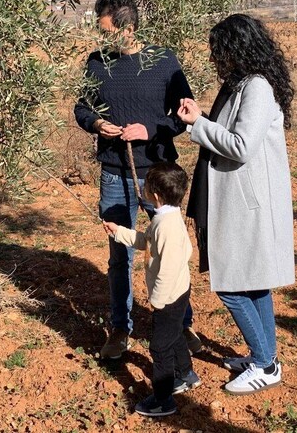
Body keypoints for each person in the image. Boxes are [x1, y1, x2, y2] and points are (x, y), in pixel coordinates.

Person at [74, 0, 202, 360]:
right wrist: (96, 123)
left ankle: (181, 324)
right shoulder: (96, 63)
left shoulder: (164, 61)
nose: (102, 39)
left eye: (107, 31)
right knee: (120, 256)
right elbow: (82, 108)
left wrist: (150, 129)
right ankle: (120, 328)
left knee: (171, 252)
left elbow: (185, 116)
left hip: (159, 174)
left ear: (128, 28)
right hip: (114, 176)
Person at [177, 13, 295, 395]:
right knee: (254, 283)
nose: (215, 58)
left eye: (219, 50)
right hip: (241, 201)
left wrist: (199, 123)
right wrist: (201, 119)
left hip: (247, 205)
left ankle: (264, 364)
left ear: (237, 48)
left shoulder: (257, 87)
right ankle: (265, 357)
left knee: (231, 286)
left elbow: (241, 146)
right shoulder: (241, 83)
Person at [103, 162, 200, 417]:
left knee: (159, 347)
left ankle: (163, 399)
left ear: (154, 194)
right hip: (177, 292)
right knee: (174, 334)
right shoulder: (166, 216)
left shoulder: (166, 226)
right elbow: (146, 241)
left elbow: (167, 268)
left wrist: (157, 300)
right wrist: (119, 232)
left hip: (168, 297)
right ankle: (186, 374)